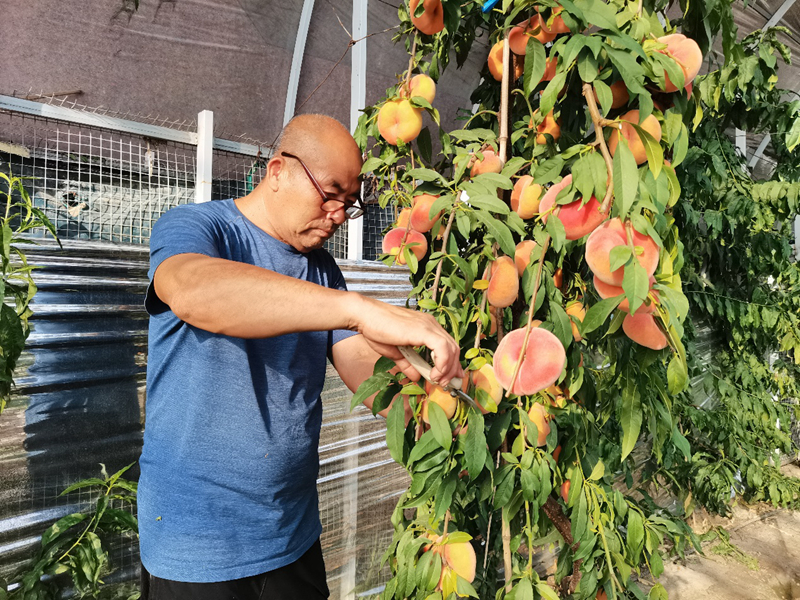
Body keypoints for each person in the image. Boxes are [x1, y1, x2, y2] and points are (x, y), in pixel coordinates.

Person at [138, 114, 462, 600]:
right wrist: (359, 309)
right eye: (330, 194)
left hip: (290, 534)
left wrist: (432, 409)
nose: (336, 216)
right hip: (197, 543)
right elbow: (190, 289)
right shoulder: (200, 227)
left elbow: (357, 362)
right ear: (278, 171)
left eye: (348, 205)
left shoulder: (322, 269)